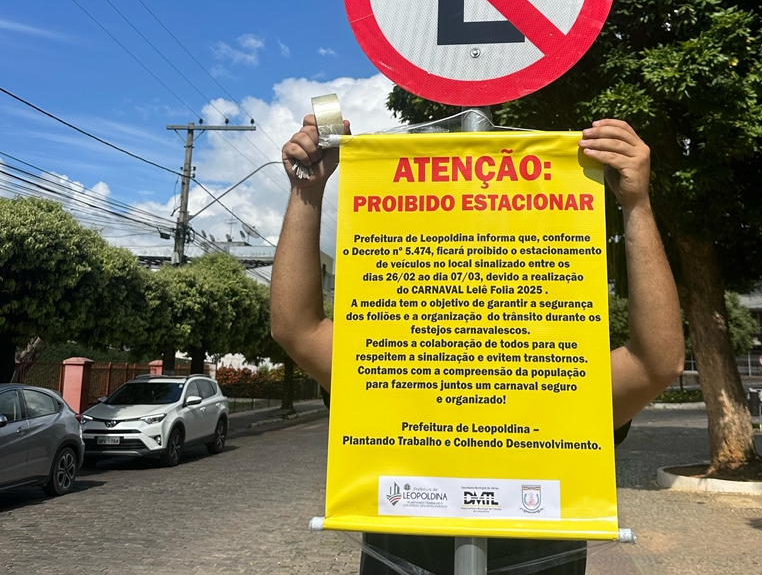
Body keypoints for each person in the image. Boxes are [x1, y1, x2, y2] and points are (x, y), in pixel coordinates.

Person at [271, 115, 684, 575]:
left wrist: (637, 205)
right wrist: (307, 190)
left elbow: (657, 361)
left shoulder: (565, 376)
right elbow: (296, 329)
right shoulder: (386, 363)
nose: (473, 274)